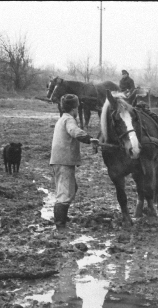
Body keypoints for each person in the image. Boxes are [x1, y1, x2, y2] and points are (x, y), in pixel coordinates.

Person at [50, 94, 99, 232]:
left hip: (59, 160)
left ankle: (62, 218)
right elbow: (75, 132)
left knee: (71, 188)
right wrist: (89, 139)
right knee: (65, 192)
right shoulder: (69, 120)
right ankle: (60, 225)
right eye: (77, 108)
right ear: (74, 108)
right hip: (63, 160)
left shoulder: (62, 119)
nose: (78, 111)